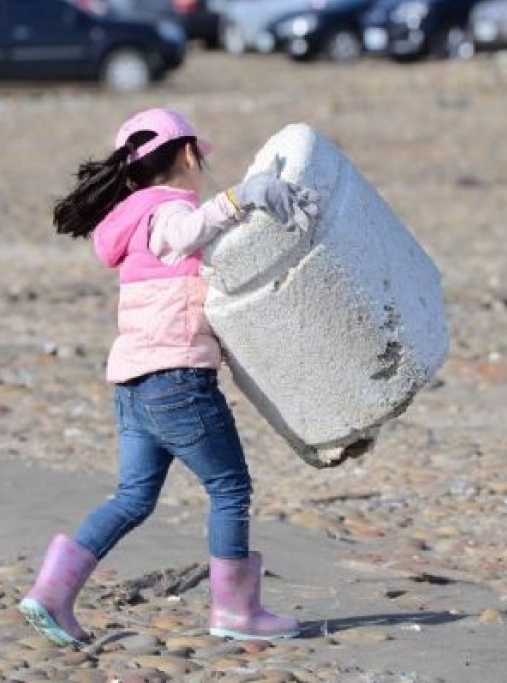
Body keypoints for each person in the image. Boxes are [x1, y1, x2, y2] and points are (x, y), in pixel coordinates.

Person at [19, 107, 318, 648]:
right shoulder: (165, 212)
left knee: (133, 497)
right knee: (230, 489)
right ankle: (235, 609)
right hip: (176, 381)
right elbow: (184, 233)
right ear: (187, 154)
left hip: (133, 385)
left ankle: (52, 592)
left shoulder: (131, 220)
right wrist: (243, 195)